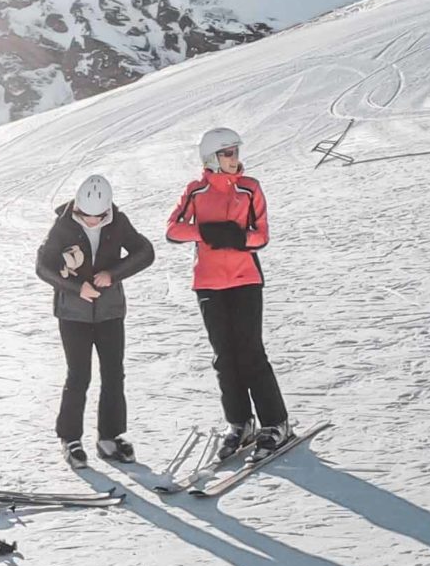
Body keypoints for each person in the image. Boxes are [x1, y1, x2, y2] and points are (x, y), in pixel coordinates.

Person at [167, 125, 289, 461]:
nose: (236, 158)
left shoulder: (250, 189)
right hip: (208, 283)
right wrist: (206, 231)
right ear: (212, 158)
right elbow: (172, 230)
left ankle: (276, 423)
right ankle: (240, 422)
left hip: (244, 279)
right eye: (228, 153)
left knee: (250, 351)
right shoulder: (195, 191)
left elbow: (261, 235)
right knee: (224, 357)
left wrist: (237, 238)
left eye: (236, 152)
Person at [34, 171, 156, 466]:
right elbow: (42, 266)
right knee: (79, 375)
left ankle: (109, 438)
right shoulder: (63, 225)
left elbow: (145, 252)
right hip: (73, 314)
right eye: (85, 215)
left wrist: (113, 274)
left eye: (98, 216)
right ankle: (70, 439)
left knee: (114, 373)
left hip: (110, 312)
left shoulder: (118, 221)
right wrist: (78, 288)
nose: (91, 221)